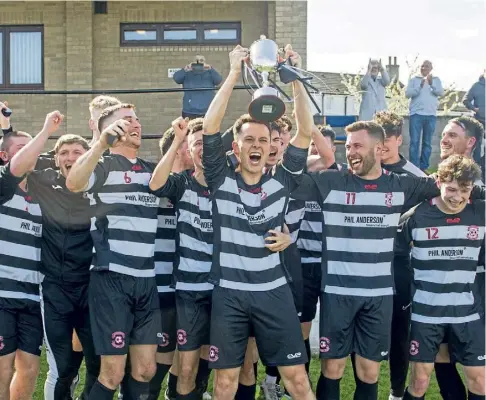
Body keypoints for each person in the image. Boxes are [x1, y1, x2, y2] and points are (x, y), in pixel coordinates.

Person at [293, 120, 485, 400]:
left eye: (357, 145)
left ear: (380, 149)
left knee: (369, 372)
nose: (350, 152)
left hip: (379, 295)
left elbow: (449, 184)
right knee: (332, 368)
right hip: (337, 293)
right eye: (347, 146)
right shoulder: (331, 182)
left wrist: (476, 192)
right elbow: (289, 181)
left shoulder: (401, 186)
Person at [202, 44, 315, 400]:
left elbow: (306, 133)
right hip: (229, 295)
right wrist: (234, 70)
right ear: (235, 148)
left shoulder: (282, 180)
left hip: (273, 292)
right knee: (225, 383)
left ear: (271, 149)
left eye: (262, 141)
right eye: (247, 139)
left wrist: (295, 78)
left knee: (296, 378)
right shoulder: (220, 179)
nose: (255, 145)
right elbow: (209, 126)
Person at [66, 103, 163, 400]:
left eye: (136, 118)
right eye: (126, 121)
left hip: (147, 280)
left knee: (146, 370)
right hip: (112, 280)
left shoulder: (150, 171)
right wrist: (100, 143)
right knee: (112, 373)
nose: (136, 124)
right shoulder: (102, 165)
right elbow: (74, 182)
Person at [9, 112, 100, 400]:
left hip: (92, 288)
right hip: (55, 290)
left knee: (98, 366)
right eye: (64, 152)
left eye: (77, 152)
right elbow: (17, 163)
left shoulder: (101, 183)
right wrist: (10, 128)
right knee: (62, 369)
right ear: (56, 158)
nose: (70, 156)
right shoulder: (43, 180)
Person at [399, 155, 485, 400]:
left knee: (480, 381)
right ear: (439, 183)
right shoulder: (416, 216)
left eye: (465, 190)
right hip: (426, 313)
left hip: (468, 312)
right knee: (420, 381)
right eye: (452, 189)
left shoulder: (481, 212)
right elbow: (395, 256)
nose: (457, 197)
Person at [149, 117, 216, 400]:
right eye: (195, 144)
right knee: (168, 361)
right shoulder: (175, 183)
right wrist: (177, 139)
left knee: (205, 359)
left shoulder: (223, 182)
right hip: (172, 287)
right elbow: (156, 185)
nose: (200, 150)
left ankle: (191, 393)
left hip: (215, 288)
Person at [372, 111, 426, 400]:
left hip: (398, 263)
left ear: (398, 139)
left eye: (387, 141)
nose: (380, 147)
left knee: (398, 331)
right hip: (364, 262)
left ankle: (395, 392)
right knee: (361, 329)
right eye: (377, 140)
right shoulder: (361, 169)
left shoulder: (416, 177)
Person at [432, 116, 485, 400]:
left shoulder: (481, 184)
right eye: (444, 133)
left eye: (452, 134)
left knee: (476, 369)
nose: (444, 139)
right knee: (441, 355)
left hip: (476, 286)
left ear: (470, 143)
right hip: (438, 283)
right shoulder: (435, 180)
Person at [0, 130, 43, 400]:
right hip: (2, 295)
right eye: (20, 148)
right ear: (4, 156)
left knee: (29, 370)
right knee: (3, 369)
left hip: (32, 295)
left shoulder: (43, 193)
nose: (29, 153)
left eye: (32, 148)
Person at [405, 60, 444, 171]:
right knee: (414, 142)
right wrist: (419, 87)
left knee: (427, 143)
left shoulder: (436, 80)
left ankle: (423, 167)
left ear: (431, 68)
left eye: (426, 66)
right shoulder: (414, 80)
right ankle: (414, 167)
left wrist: (431, 85)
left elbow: (440, 93)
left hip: (431, 115)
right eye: (422, 66)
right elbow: (408, 94)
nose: (424, 68)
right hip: (416, 114)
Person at [463, 71, 485, 173]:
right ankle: (476, 169)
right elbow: (466, 100)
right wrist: (474, 109)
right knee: (477, 145)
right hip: (479, 120)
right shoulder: (476, 86)